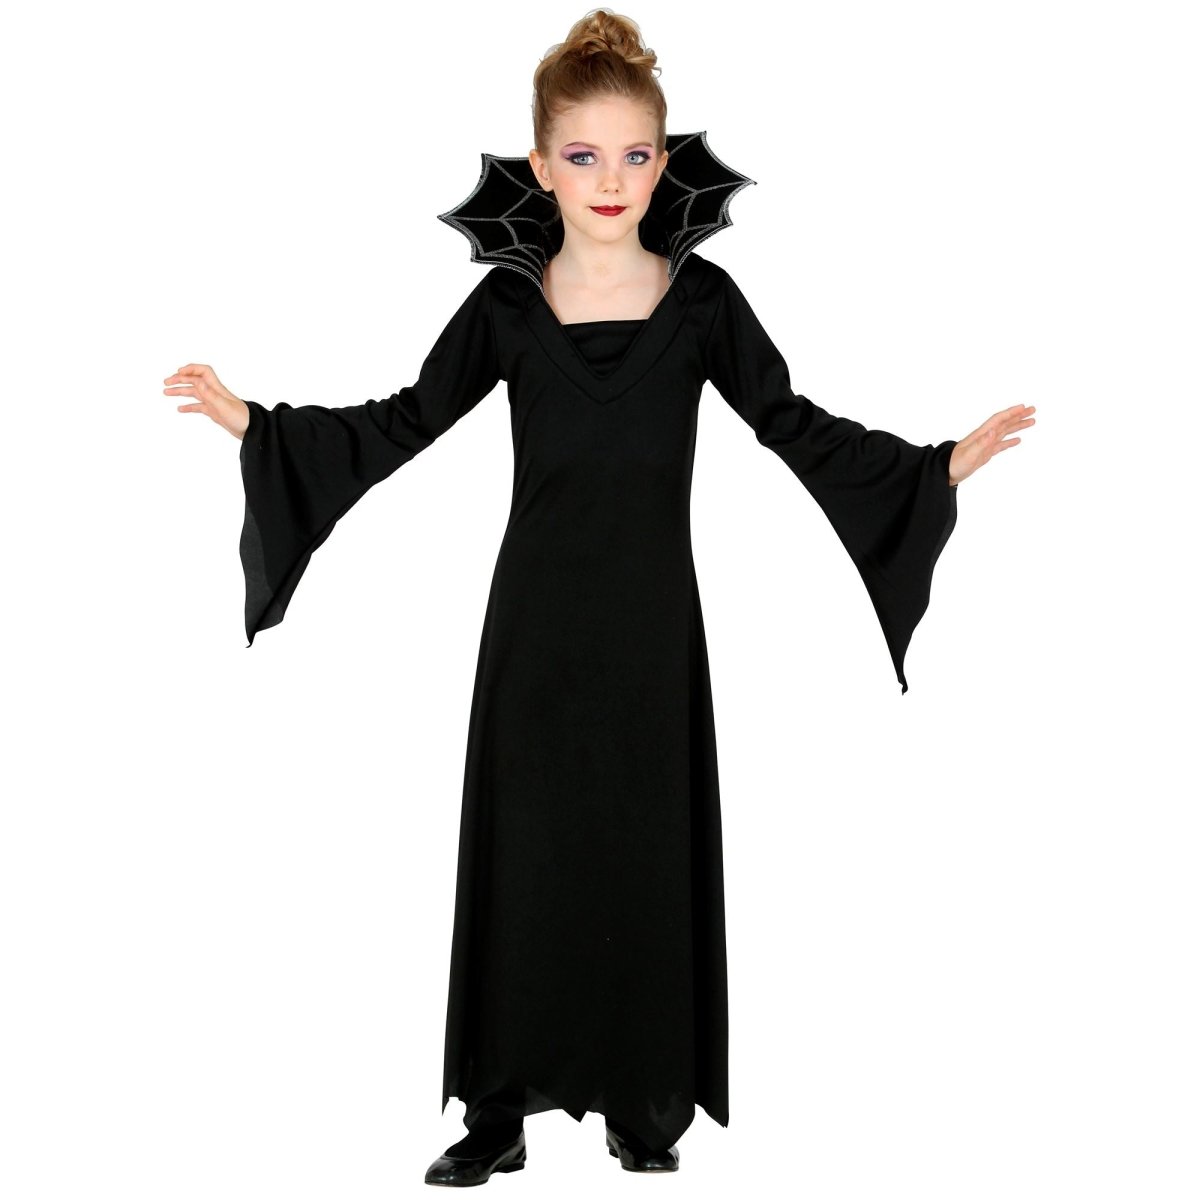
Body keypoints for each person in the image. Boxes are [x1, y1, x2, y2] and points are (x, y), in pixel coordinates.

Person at [163, 7, 1034, 1187]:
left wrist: (935, 468)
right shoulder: (507, 308)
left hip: (653, 633)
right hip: (534, 632)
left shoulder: (704, 302)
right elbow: (404, 422)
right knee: (524, 858)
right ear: (541, 168)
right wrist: (257, 426)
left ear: (664, 165)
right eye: (583, 155)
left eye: (633, 155)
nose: (610, 180)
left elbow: (795, 427)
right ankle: (498, 1111)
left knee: (642, 852)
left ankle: (642, 1097)